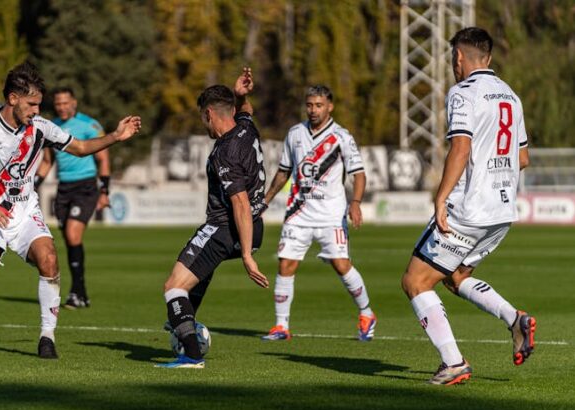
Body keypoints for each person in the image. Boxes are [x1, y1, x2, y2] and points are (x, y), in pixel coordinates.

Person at [0, 61, 141, 359]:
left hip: (25, 211)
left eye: (39, 104)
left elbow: (80, 148)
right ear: (13, 98)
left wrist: (115, 137)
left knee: (49, 260)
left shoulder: (40, 128)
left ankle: (47, 337)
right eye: (32, 104)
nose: (37, 110)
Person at [400, 27, 536, 386]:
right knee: (456, 276)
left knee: (415, 281)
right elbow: (522, 158)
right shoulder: (511, 96)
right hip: (502, 211)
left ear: (458, 57)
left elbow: (460, 147)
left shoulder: (463, 93)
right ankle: (516, 319)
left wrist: (441, 197)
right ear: (487, 57)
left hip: (469, 209)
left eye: (452, 58)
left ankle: (454, 362)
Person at [156, 67, 268, 369]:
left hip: (225, 228)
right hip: (254, 227)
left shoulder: (225, 152)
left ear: (208, 114)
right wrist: (241, 95)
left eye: (201, 118)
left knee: (173, 287)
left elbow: (239, 203)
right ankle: (184, 318)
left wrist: (247, 256)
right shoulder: (246, 128)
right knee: (198, 272)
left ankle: (191, 354)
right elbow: (246, 110)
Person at [260, 85, 376, 342]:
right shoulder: (295, 134)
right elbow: (283, 172)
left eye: (319, 105)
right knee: (286, 264)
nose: (313, 110)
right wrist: (266, 200)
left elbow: (358, 174)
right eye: (310, 105)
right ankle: (281, 326)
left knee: (341, 265)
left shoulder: (341, 137)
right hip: (298, 212)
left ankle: (367, 313)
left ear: (330, 107)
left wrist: (356, 202)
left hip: (331, 214)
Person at [35, 87, 110, 309]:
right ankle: (81, 292)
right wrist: (32, 185)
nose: (61, 107)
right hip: (64, 189)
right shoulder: (51, 127)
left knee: (72, 234)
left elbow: (103, 159)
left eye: (65, 103)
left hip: (85, 187)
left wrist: (104, 191)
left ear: (74, 103)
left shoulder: (89, 125)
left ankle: (77, 292)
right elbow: (47, 161)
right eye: (58, 103)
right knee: (69, 240)